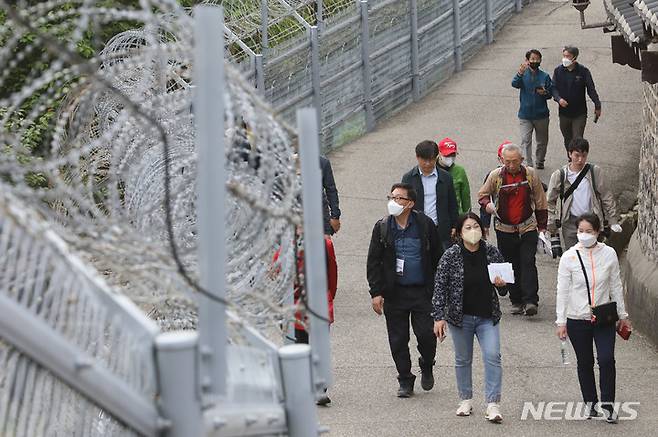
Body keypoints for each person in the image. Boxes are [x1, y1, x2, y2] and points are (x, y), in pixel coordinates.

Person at [367, 183, 442, 397]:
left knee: (427, 336)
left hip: (422, 292)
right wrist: (376, 292)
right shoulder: (382, 227)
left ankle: (427, 364)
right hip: (395, 293)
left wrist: (441, 289)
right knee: (398, 339)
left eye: (399, 198)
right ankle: (405, 379)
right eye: (391, 197)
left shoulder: (425, 225)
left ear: (410, 203)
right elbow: (373, 262)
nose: (393, 201)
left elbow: (438, 257)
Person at [555, 213, 631, 422]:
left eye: (589, 231)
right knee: (585, 362)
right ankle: (591, 404)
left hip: (604, 316)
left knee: (606, 359)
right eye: (581, 231)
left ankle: (608, 406)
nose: (584, 235)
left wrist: (622, 316)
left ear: (597, 232)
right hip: (577, 318)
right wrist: (560, 321)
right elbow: (562, 291)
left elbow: (615, 285)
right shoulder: (569, 257)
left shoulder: (609, 255)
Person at [433, 212, 508, 423]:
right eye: (467, 227)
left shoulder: (491, 252)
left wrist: (502, 285)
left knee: (493, 355)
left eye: (476, 226)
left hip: (487, 316)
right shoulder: (450, 255)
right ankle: (465, 399)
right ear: (458, 233)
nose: (473, 231)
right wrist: (438, 317)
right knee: (462, 359)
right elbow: (439, 287)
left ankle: (493, 404)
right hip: (460, 317)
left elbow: (504, 290)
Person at [478, 143, 548, 316]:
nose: (510, 165)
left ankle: (531, 300)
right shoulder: (495, 176)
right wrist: (487, 205)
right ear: (501, 160)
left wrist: (542, 228)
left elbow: (540, 201)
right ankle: (516, 300)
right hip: (504, 229)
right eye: (507, 161)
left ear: (521, 160)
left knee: (527, 262)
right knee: (510, 265)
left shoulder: (530, 174)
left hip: (527, 227)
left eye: (514, 161)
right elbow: (482, 195)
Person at [546, 138, 622, 252]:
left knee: (592, 255)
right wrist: (551, 225)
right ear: (569, 154)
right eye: (577, 155)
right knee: (573, 256)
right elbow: (549, 201)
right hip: (570, 223)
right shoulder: (560, 175)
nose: (580, 159)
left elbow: (606, 196)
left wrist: (613, 220)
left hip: (592, 221)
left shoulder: (595, 172)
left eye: (584, 155)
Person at [402, 140, 459, 249]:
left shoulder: (446, 177)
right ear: (417, 157)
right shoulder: (408, 178)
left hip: (441, 230)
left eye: (431, 160)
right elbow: (403, 204)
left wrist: (454, 225)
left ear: (437, 157)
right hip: (416, 231)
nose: (427, 164)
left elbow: (452, 204)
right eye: (424, 160)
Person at [552, 46, 602, 154]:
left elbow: (591, 89)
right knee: (567, 138)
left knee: (577, 139)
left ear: (574, 57)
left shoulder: (583, 71)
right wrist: (559, 99)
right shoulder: (558, 71)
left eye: (568, 56)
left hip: (579, 113)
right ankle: (570, 157)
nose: (565, 58)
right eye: (564, 56)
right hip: (564, 113)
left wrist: (597, 105)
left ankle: (577, 159)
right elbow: (554, 88)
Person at [512, 49, 554, 169]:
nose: (535, 61)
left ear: (540, 60)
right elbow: (514, 84)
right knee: (525, 140)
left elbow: (550, 94)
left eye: (537, 59)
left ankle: (540, 160)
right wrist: (519, 73)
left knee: (542, 141)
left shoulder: (544, 76)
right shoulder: (523, 74)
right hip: (525, 115)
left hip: (541, 115)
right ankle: (527, 165)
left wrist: (544, 93)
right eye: (532, 59)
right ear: (527, 60)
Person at [481, 141, 510, 239]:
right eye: (505, 158)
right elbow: (485, 198)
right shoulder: (493, 176)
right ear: (499, 159)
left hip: (524, 223)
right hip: (502, 222)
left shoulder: (526, 173)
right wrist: (485, 224)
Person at [437, 137, 471, 215]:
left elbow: (465, 196)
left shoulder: (460, 171)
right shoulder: (431, 170)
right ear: (439, 153)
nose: (450, 158)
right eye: (447, 155)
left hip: (455, 215)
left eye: (452, 155)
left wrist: (467, 215)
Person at [320, 156, 341, 236]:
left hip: (320, 218)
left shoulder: (322, 163)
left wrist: (335, 216)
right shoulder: (286, 163)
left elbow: (331, 191)